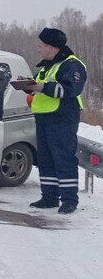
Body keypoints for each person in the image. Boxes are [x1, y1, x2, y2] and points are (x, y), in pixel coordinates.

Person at [24, 27, 87, 214]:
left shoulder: (72, 65)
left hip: (62, 117)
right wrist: (27, 85)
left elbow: (69, 90)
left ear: (52, 47)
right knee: (46, 159)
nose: (39, 49)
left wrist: (41, 87)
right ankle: (49, 197)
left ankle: (69, 200)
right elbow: (39, 85)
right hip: (44, 118)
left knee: (63, 158)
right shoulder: (47, 65)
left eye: (41, 45)